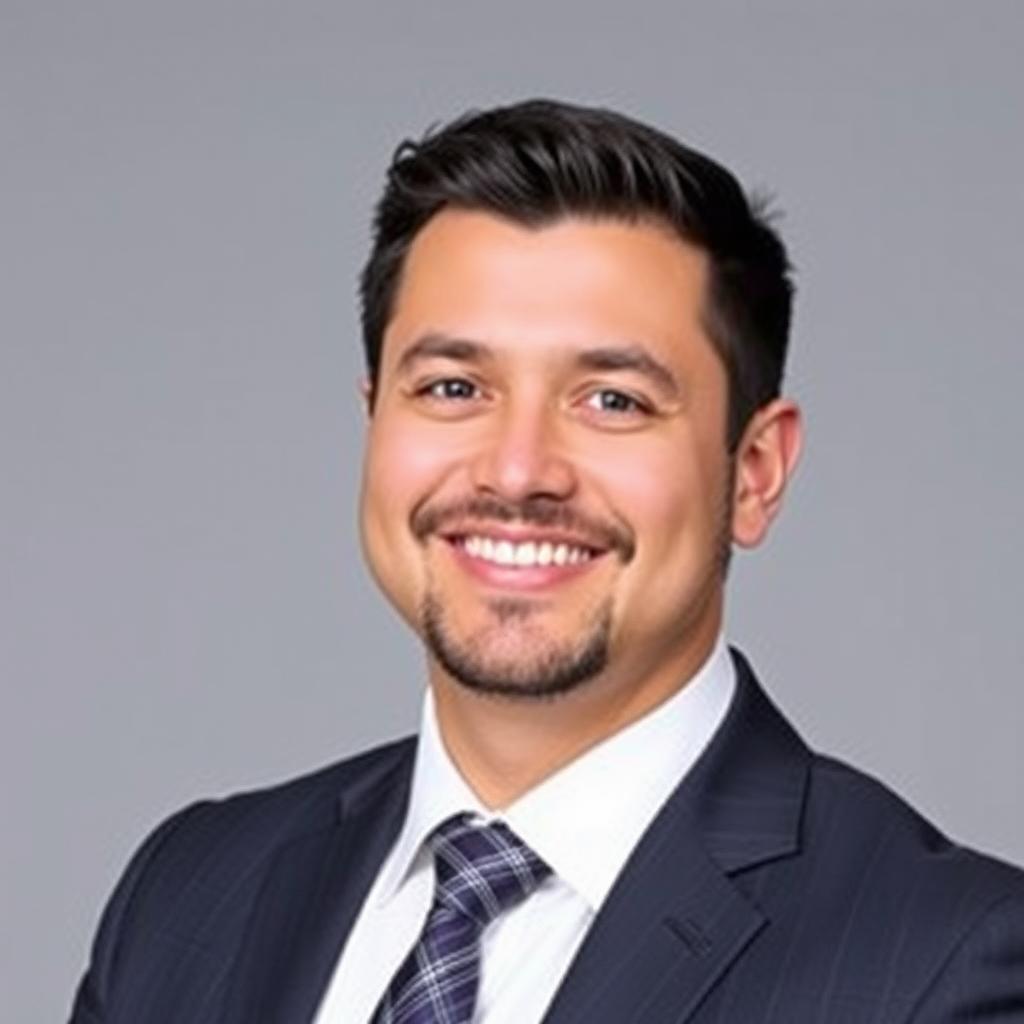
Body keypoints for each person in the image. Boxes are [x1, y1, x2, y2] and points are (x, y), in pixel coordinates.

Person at [68, 99, 1024, 1024]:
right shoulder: (190, 894)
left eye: (613, 401)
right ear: (374, 420)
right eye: (453, 388)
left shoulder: (944, 964)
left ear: (754, 472)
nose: (518, 471)